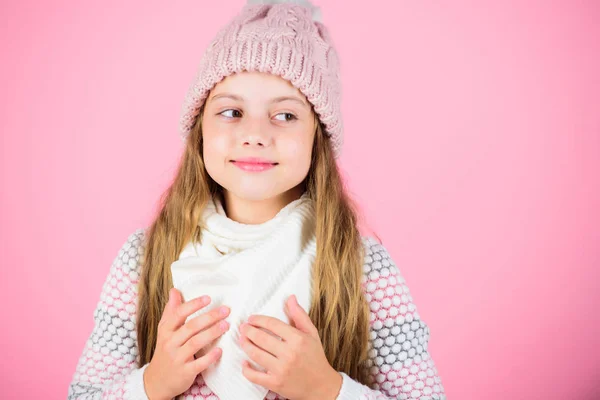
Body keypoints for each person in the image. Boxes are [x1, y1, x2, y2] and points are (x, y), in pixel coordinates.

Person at [67, 1, 446, 399]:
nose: (255, 134)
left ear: (318, 139)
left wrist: (327, 390)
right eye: (231, 111)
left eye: (285, 116)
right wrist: (153, 384)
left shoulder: (361, 268)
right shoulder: (144, 260)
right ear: (199, 131)